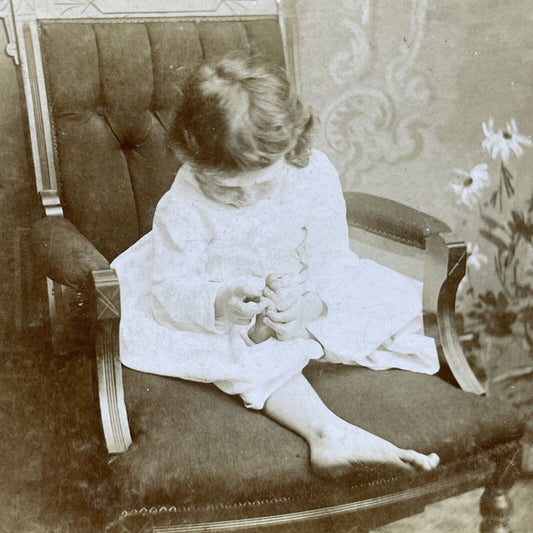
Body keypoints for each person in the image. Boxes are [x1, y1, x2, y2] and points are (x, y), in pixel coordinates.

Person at [111, 51, 440, 477]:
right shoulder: (182, 204)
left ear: (292, 148)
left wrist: (311, 303)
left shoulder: (314, 173)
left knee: (393, 302)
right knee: (228, 346)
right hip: (206, 290)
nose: (245, 199)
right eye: (226, 190)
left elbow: (332, 259)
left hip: (296, 283)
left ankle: (302, 336)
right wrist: (218, 303)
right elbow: (171, 288)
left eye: (262, 184)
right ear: (191, 159)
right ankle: (327, 433)